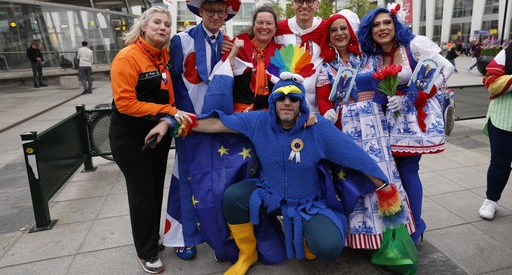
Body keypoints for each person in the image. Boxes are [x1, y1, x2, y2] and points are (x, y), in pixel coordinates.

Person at [146, 64, 402, 275]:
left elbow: (353, 154)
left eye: (294, 98)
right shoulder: (259, 121)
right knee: (234, 197)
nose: (287, 103)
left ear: (301, 103)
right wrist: (172, 123)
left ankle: (306, 237)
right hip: (268, 195)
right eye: (280, 97)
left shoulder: (317, 128)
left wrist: (383, 186)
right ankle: (247, 254)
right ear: (273, 102)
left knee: (329, 248)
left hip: (306, 202)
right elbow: (215, 124)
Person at [316, 9, 414, 249]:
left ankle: (391, 235)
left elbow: (382, 91)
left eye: (343, 28)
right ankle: (360, 238)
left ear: (351, 32)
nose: (339, 33)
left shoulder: (371, 59)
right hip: (346, 128)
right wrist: (328, 113)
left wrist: (392, 101)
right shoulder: (325, 67)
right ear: (328, 36)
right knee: (356, 176)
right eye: (334, 30)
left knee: (382, 175)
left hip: (375, 124)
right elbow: (323, 101)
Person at [358, 3, 454, 244]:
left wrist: (413, 97)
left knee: (409, 170)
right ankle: (405, 223)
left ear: (396, 24)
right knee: (395, 173)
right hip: (390, 119)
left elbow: (447, 68)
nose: (382, 28)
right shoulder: (375, 57)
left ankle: (416, 226)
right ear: (369, 31)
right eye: (376, 25)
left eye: (387, 22)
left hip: (414, 117)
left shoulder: (414, 45)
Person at [108, 6, 195, 274]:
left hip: (156, 133)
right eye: (157, 22)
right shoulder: (127, 57)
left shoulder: (164, 55)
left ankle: (151, 238)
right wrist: (168, 112)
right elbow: (125, 103)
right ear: (143, 26)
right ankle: (145, 253)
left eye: (167, 24)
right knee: (143, 194)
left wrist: (165, 119)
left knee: (156, 189)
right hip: (130, 138)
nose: (163, 27)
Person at [164, 0, 241, 261]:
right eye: (210, 10)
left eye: (220, 11)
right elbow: (170, 82)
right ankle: (182, 237)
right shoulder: (180, 41)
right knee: (184, 178)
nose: (216, 15)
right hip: (188, 122)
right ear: (201, 12)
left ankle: (218, 234)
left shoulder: (230, 44)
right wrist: (171, 115)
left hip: (217, 122)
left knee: (217, 179)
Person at [274, 0, 326, 114]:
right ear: (293, 4)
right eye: (299, 1)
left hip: (317, 104)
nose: (304, 6)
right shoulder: (279, 29)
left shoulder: (326, 28)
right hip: (287, 103)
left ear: (317, 4)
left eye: (309, 1)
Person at [478, 43, 512, 220]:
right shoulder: (507, 53)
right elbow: (491, 83)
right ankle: (491, 199)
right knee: (500, 163)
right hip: (504, 118)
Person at [230, 5, 282, 112]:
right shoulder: (238, 47)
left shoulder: (281, 54)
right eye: (260, 23)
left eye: (269, 23)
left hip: (269, 116)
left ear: (275, 28)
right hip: (239, 115)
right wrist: (231, 53)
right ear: (253, 26)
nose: (264, 27)